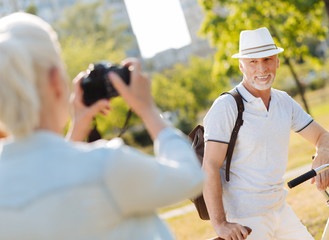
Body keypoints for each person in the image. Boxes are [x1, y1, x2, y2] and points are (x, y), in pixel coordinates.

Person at [0, 12, 205, 240]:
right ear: (56, 81)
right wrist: (148, 109)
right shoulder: (105, 166)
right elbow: (190, 178)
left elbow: (49, 175)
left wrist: (77, 128)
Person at [202, 27, 329, 240]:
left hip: (280, 210)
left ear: (277, 62)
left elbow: (326, 137)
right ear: (241, 66)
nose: (262, 68)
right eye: (253, 62)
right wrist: (220, 224)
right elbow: (209, 166)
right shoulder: (227, 106)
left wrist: (323, 153)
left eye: (267, 59)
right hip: (244, 219)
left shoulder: (283, 101)